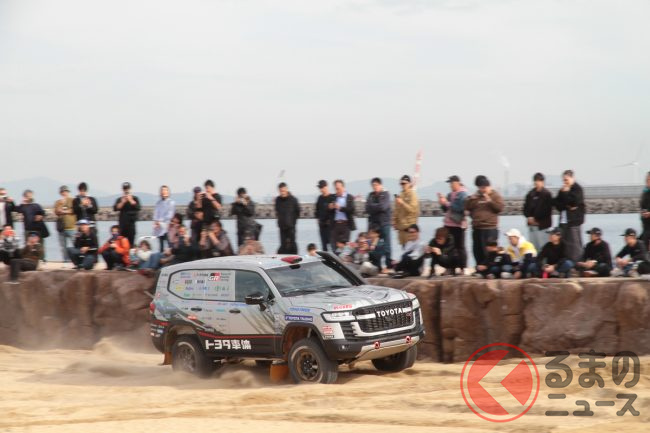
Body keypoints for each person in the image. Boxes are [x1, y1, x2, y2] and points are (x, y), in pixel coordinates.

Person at [465, 175, 504, 266]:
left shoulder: (495, 196)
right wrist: (470, 199)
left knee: (489, 251)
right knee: (477, 250)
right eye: (480, 188)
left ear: (489, 187)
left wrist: (489, 201)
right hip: (477, 227)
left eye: (484, 188)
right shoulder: (476, 196)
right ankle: (479, 267)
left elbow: (499, 208)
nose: (482, 190)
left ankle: (490, 267)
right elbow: (467, 207)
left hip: (489, 227)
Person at [554, 170, 586, 263]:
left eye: (566, 180)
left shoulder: (577, 189)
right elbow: (556, 203)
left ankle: (578, 263)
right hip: (563, 221)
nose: (565, 182)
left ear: (572, 178)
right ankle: (567, 263)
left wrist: (566, 194)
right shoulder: (562, 190)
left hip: (573, 222)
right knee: (564, 244)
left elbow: (574, 202)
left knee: (575, 245)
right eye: (563, 180)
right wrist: (566, 205)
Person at [438, 175, 468, 273]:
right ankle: (450, 268)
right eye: (450, 183)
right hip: (448, 224)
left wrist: (447, 203)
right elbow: (445, 209)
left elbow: (460, 208)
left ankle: (463, 268)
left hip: (458, 225)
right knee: (448, 247)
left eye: (452, 183)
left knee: (460, 247)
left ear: (457, 183)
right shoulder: (450, 194)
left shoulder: (463, 194)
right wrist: (442, 202)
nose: (450, 185)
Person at [366, 178, 392, 271]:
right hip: (374, 225)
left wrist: (373, 206)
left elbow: (383, 207)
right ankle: (378, 266)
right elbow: (367, 208)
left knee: (387, 245)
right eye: (373, 185)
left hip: (385, 223)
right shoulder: (370, 195)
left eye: (376, 185)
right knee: (375, 245)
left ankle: (388, 266)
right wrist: (377, 206)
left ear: (381, 185)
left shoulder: (386, 194)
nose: (375, 187)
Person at [523, 172, 553, 252]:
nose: (537, 182)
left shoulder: (547, 194)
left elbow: (547, 211)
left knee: (543, 248)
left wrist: (536, 218)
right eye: (535, 181)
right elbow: (525, 208)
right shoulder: (530, 194)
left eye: (539, 181)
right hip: (532, 227)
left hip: (543, 226)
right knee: (532, 248)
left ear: (543, 182)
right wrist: (529, 217)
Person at [15, 190, 49, 259]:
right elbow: (17, 210)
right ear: (25, 197)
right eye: (28, 196)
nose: (30, 197)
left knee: (40, 245)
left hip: (37, 229)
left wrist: (40, 216)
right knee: (27, 245)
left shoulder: (36, 205)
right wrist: (22, 203)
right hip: (27, 229)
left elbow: (43, 213)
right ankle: (27, 258)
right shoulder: (23, 206)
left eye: (31, 195)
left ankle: (42, 259)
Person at [393, 175, 419, 247]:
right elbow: (396, 210)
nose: (402, 185)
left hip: (410, 231)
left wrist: (402, 203)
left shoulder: (413, 195)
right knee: (404, 251)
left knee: (411, 252)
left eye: (404, 183)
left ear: (409, 184)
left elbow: (413, 210)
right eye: (401, 183)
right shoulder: (400, 195)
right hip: (401, 231)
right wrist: (394, 221)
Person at [54, 185, 77, 266]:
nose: (64, 193)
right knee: (63, 246)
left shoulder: (73, 200)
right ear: (60, 193)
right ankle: (65, 261)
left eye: (66, 191)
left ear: (68, 192)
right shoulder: (58, 202)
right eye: (63, 192)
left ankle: (76, 261)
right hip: (61, 228)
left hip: (71, 227)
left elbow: (74, 210)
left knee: (75, 244)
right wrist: (61, 205)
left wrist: (65, 211)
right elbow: (56, 212)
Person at [275, 182, 299, 254]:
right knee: (283, 245)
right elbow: (277, 211)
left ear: (287, 189)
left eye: (283, 191)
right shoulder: (277, 200)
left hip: (291, 227)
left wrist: (292, 222)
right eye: (281, 191)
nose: (282, 193)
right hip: (282, 227)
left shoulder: (293, 199)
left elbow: (297, 212)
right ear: (279, 191)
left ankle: (295, 257)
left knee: (292, 244)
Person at [113, 182, 141, 246]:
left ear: (130, 189)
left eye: (127, 189)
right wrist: (122, 202)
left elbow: (138, 207)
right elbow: (115, 208)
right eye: (125, 189)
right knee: (122, 245)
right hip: (122, 226)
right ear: (122, 190)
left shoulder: (135, 198)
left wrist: (131, 200)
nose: (126, 190)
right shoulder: (119, 199)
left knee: (131, 245)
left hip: (131, 226)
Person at [329, 180, 356, 246]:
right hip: (335, 225)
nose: (337, 190)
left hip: (346, 225)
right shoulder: (333, 197)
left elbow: (352, 210)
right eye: (336, 189)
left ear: (343, 187)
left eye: (338, 188)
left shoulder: (349, 197)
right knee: (334, 246)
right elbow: (328, 209)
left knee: (345, 246)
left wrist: (340, 208)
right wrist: (330, 207)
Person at [153, 185, 175, 251]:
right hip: (159, 228)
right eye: (162, 190)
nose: (163, 192)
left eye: (165, 190)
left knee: (169, 245)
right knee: (161, 246)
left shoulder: (171, 202)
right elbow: (156, 214)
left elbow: (170, 215)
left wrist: (160, 222)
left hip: (168, 226)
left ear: (168, 192)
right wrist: (156, 222)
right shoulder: (158, 203)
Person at [315, 180, 335, 251]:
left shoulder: (333, 197)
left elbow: (335, 211)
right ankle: (325, 258)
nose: (321, 189)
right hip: (322, 226)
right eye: (320, 188)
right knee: (324, 247)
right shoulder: (319, 198)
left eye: (322, 187)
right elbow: (317, 211)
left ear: (326, 187)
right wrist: (318, 219)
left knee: (333, 246)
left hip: (330, 227)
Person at [640, 172, 650, 250]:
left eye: (649, 179)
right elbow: (643, 207)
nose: (647, 181)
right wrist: (644, 213)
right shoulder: (645, 193)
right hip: (646, 227)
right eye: (647, 179)